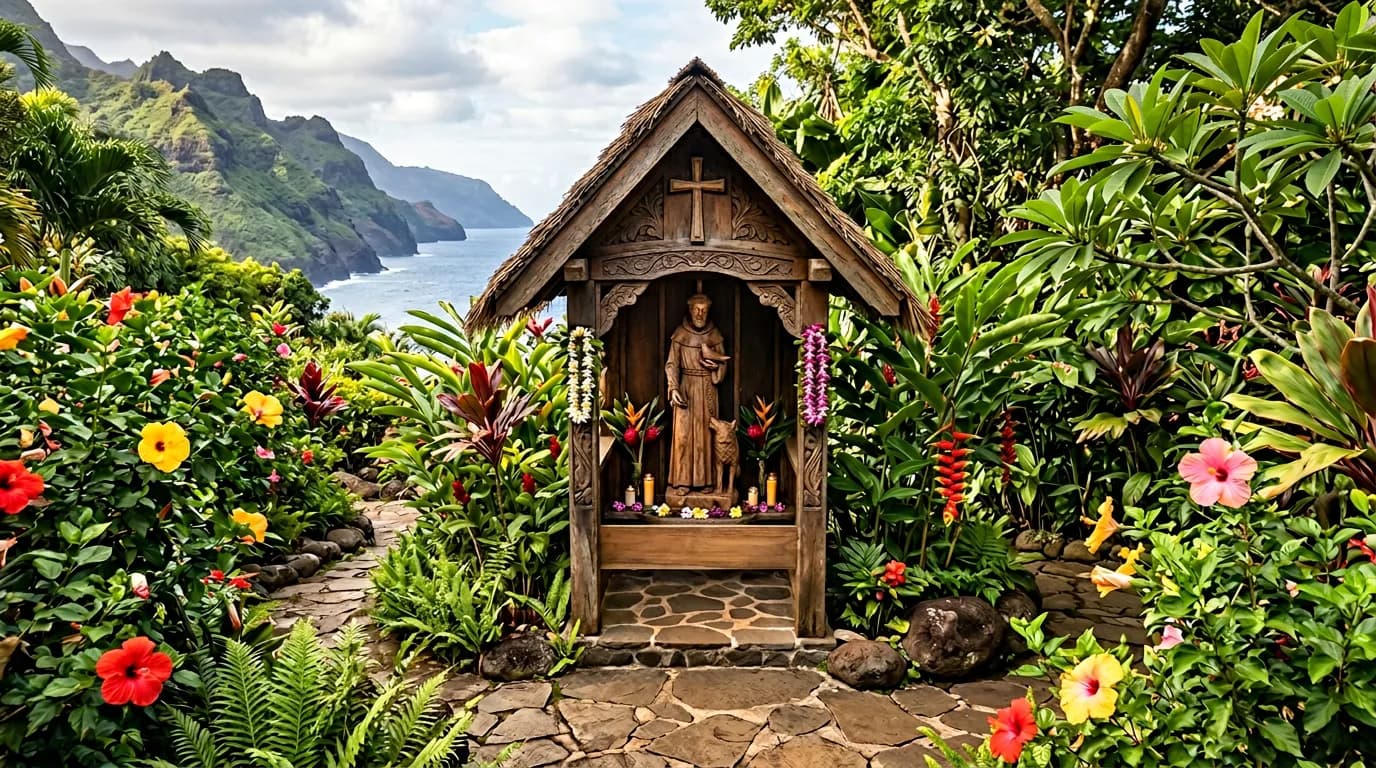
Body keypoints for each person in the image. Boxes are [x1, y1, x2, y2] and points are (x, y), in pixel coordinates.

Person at [665, 293, 729, 492]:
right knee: (683, 437)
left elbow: (723, 364)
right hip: (685, 387)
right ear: (690, 310)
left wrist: (715, 369)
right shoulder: (680, 334)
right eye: (697, 309)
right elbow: (671, 364)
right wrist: (673, 388)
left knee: (707, 436)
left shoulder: (714, 334)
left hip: (708, 388)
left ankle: (706, 481)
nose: (700, 314)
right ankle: (682, 481)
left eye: (704, 310)